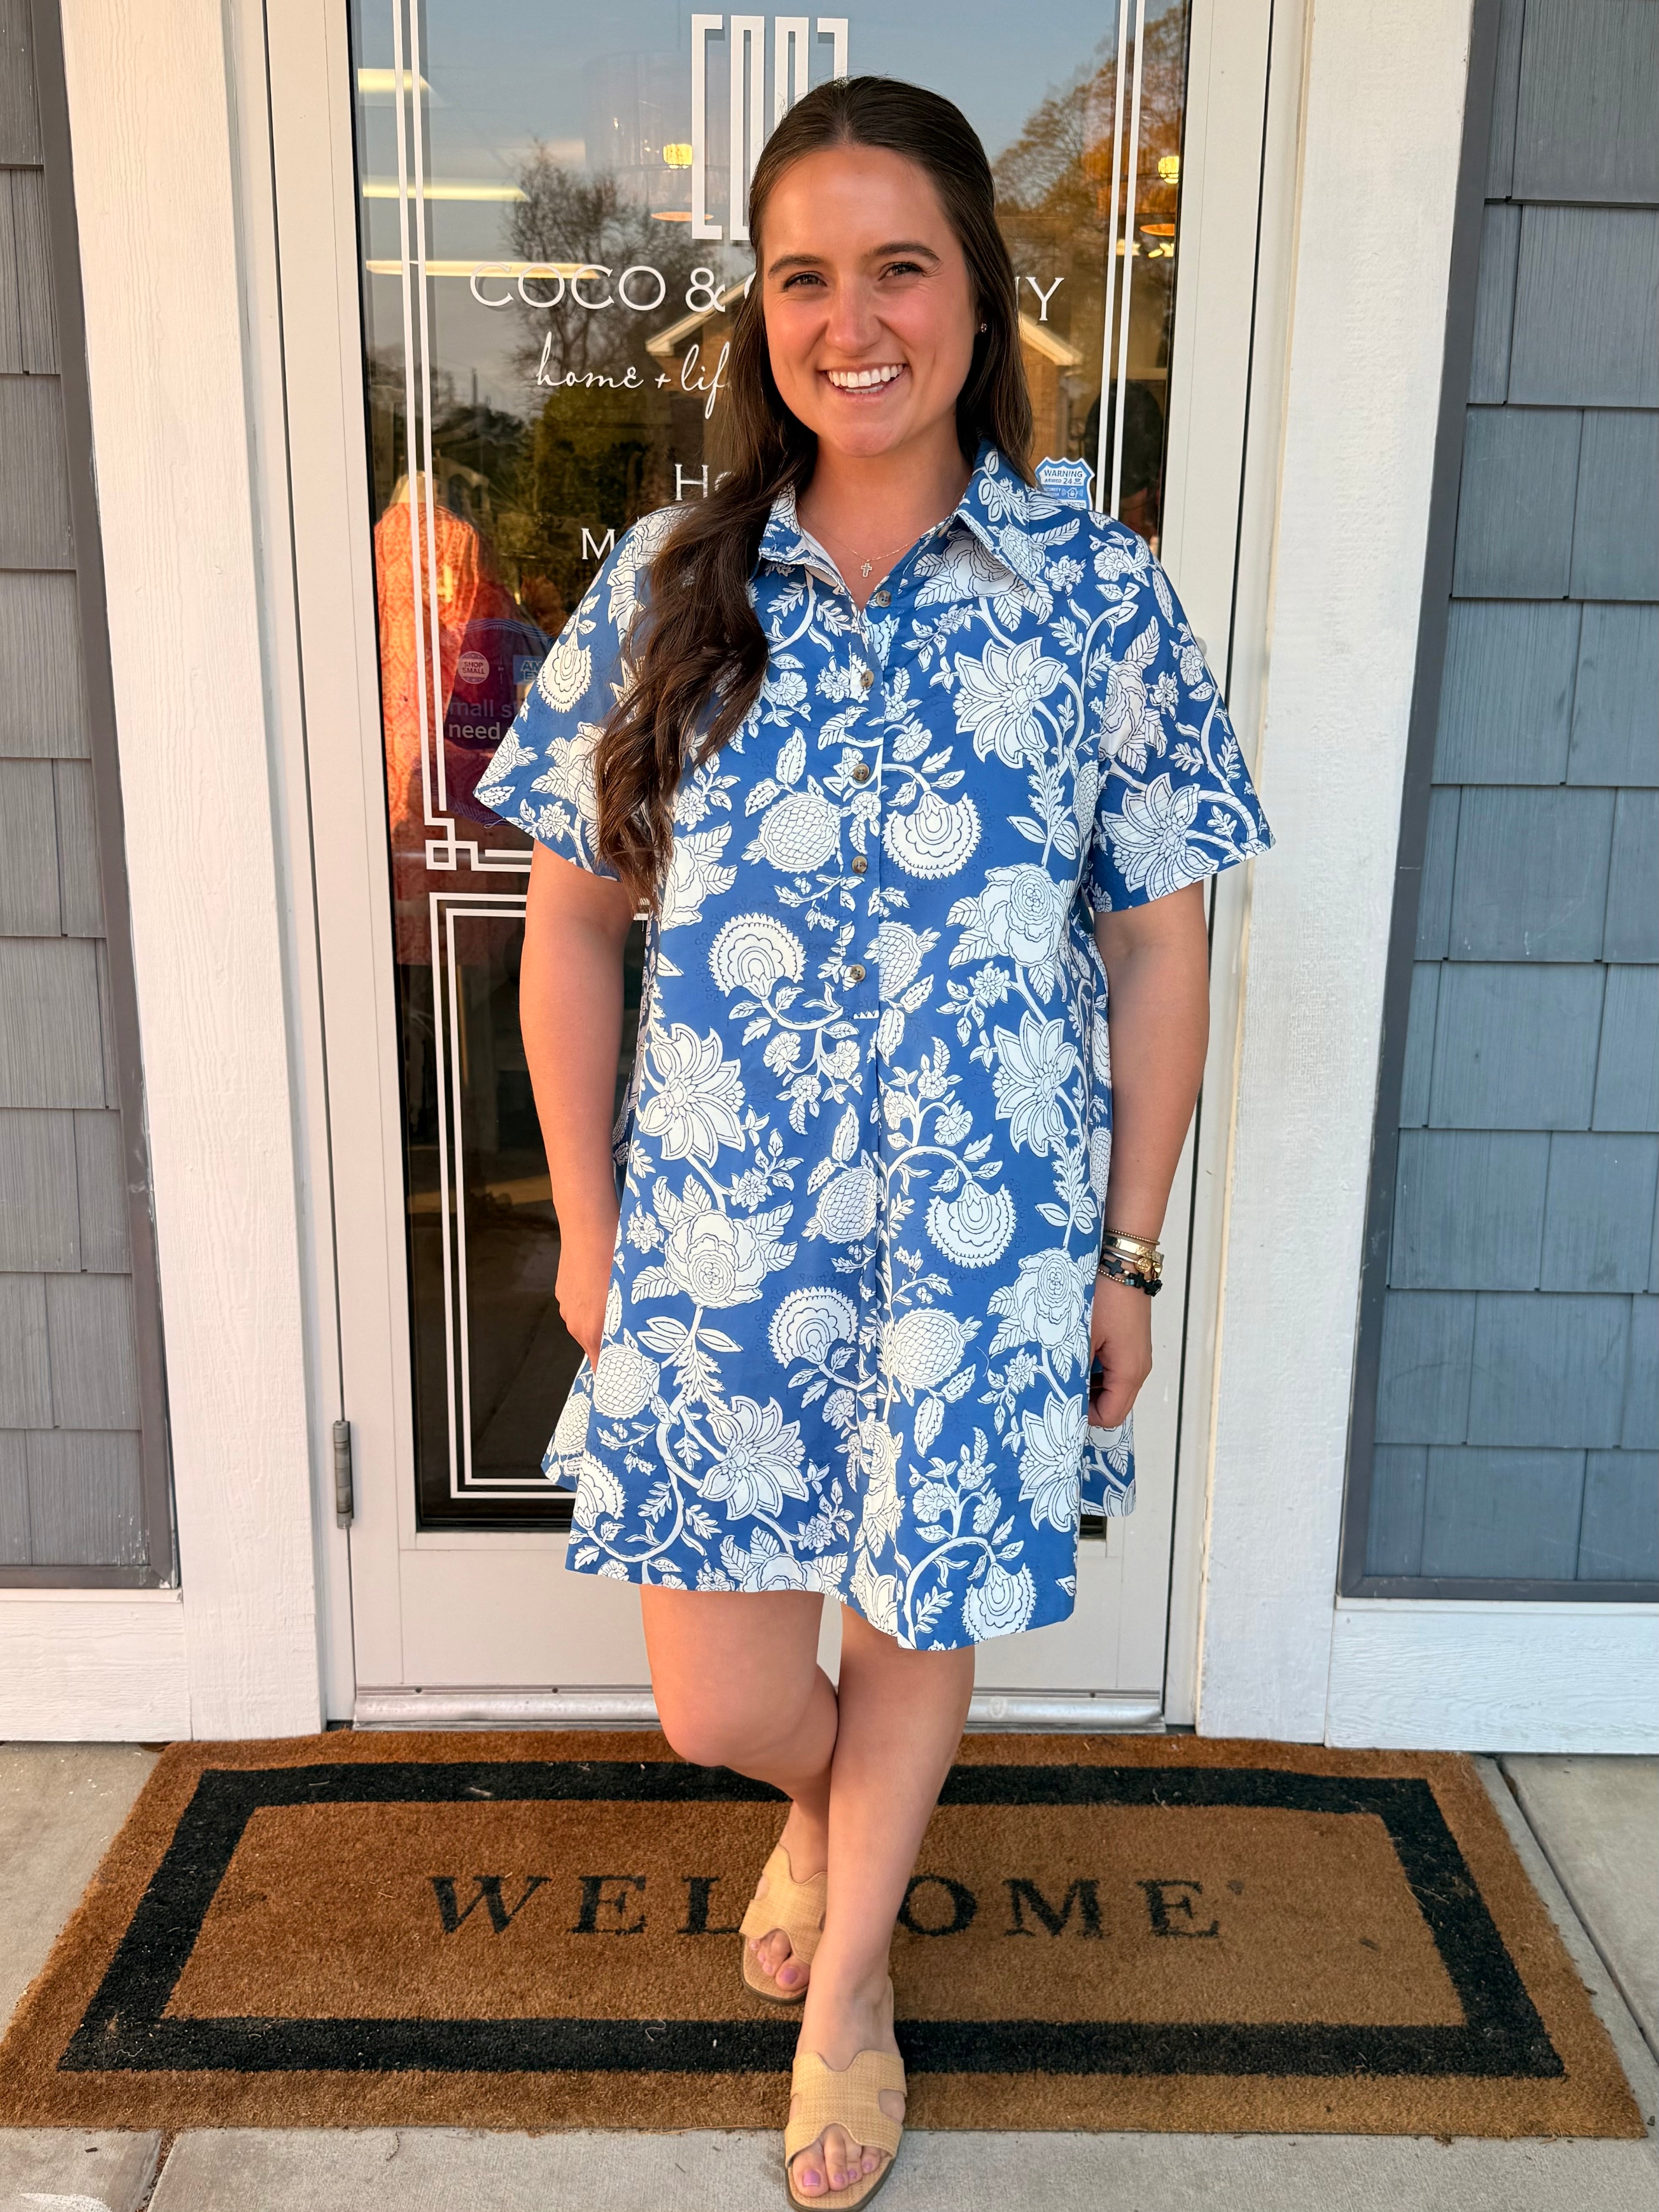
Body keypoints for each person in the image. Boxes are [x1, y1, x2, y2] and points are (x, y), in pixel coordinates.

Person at [477, 73, 1270, 2209]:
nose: (854, 320)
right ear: (762, 313)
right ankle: (821, 1809)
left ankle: (852, 1997)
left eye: (900, 265)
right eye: (804, 275)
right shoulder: (668, 577)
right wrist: (585, 1226)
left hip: (995, 1232)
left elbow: (1165, 943)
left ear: (977, 295)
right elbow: (568, 924)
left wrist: (1128, 1247)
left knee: (926, 1605)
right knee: (721, 1701)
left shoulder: (1095, 591)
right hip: (722, 1244)